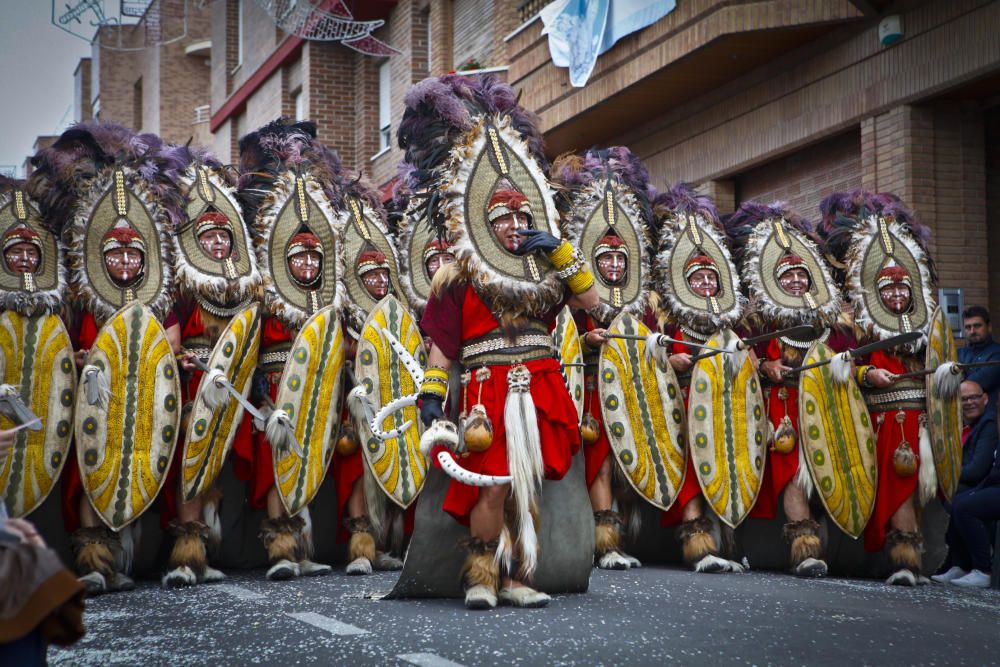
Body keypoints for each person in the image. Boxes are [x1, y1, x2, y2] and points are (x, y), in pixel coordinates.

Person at [398, 74, 598, 609]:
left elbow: (594, 304)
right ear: (480, 220)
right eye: (502, 216)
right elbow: (443, 348)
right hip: (487, 391)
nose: (513, 224)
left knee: (526, 486)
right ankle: (481, 574)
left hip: (540, 384)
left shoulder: (547, 269)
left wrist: (560, 252)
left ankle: (514, 577)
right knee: (490, 485)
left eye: (520, 216)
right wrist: (432, 397)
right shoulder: (456, 277)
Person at [29, 122, 183, 595]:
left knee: (138, 466)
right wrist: (79, 357)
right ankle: (93, 558)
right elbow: (63, 344)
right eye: (115, 255)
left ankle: (128, 559)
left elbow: (170, 342)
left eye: (133, 255)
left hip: (145, 397)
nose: (124, 262)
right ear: (101, 255)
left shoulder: (161, 295)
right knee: (93, 466)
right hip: (97, 397)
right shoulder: (80, 291)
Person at [725, 200, 855, 578]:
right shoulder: (758, 317)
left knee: (826, 475)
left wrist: (849, 370)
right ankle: (805, 549)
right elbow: (743, 355)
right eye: (788, 277)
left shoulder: (835, 319)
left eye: (802, 275)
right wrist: (765, 364)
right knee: (793, 474)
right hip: (781, 410)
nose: (797, 281)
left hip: (827, 406)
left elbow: (853, 363)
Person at [819, 190, 939, 586]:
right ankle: (903, 558)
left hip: (924, 420)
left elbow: (937, 363)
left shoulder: (928, 323)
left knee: (920, 490)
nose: (896, 294)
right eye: (889, 289)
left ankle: (910, 554)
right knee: (896, 487)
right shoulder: (855, 322)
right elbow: (843, 364)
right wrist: (868, 375)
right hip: (882, 420)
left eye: (903, 289)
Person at [548, 146, 657, 571]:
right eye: (605, 257)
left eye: (619, 257)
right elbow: (557, 333)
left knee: (629, 457)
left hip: (630, 391)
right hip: (588, 390)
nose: (612, 263)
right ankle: (604, 540)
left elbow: (648, 340)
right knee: (601, 462)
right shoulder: (576, 296)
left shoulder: (644, 303)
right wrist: (585, 337)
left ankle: (625, 536)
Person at [162, 154, 263, 588]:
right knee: (192, 465)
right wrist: (180, 357)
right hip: (194, 386)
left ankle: (212, 549)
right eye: (209, 238)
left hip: (233, 387)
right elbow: (169, 339)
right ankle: (188, 555)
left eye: (224, 237)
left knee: (220, 468)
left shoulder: (246, 286)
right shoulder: (182, 286)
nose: (218, 244)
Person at [648, 184, 747, 573]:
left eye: (711, 278)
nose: (706, 285)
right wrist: (673, 360)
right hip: (685, 408)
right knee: (692, 470)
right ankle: (696, 542)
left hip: (726, 407)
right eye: (698, 279)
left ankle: (726, 543)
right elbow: (653, 356)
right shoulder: (668, 317)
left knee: (726, 467)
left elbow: (749, 361)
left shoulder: (733, 320)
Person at [932, 379, 997, 585]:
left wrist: (944, 476)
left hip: (986, 482)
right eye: (963, 399)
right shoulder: (966, 425)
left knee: (959, 501)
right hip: (982, 484)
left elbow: (977, 468)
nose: (969, 403)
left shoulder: (988, 424)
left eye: (974, 397)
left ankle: (979, 568)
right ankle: (958, 564)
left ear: (986, 399)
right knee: (955, 499)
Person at [958, 306, 1000, 404]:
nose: (972, 331)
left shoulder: (997, 353)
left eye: (977, 326)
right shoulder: (959, 353)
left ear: (989, 327)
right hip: (962, 414)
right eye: (968, 327)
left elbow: (976, 383)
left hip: (990, 414)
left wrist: (962, 377)